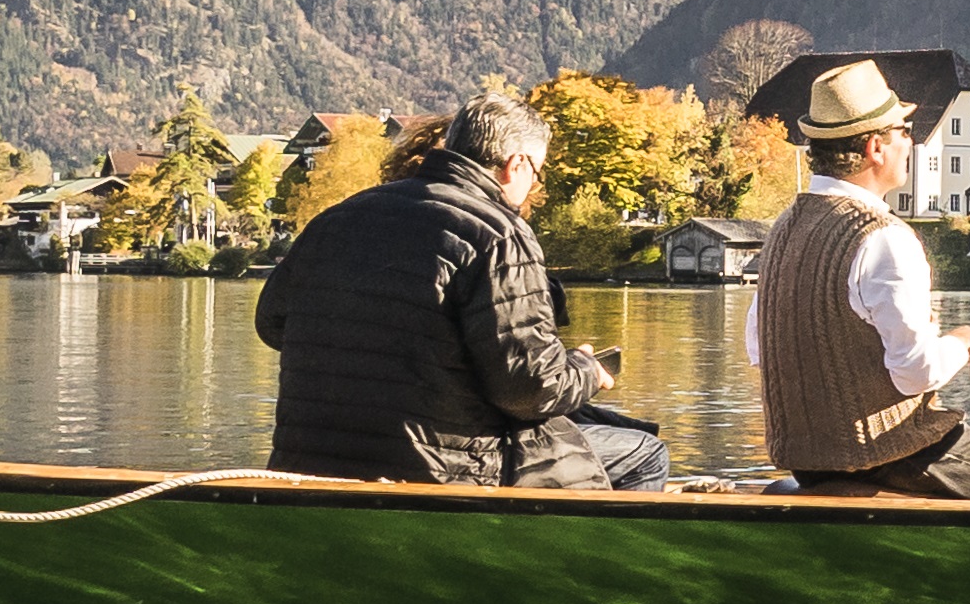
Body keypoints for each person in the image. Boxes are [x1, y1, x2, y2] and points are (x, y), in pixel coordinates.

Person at [253, 97, 668, 490]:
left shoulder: (337, 218)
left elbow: (272, 324)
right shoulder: (497, 234)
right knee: (645, 452)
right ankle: (572, 564)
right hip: (447, 471)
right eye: (537, 173)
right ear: (516, 164)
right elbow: (528, 389)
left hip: (307, 460)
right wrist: (586, 371)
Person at [761, 58, 970, 498]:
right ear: (874, 148)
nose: (910, 142)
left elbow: (759, 349)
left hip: (809, 462)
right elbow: (915, 374)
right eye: (903, 131)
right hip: (892, 454)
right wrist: (962, 341)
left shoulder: (782, 231)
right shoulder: (883, 238)